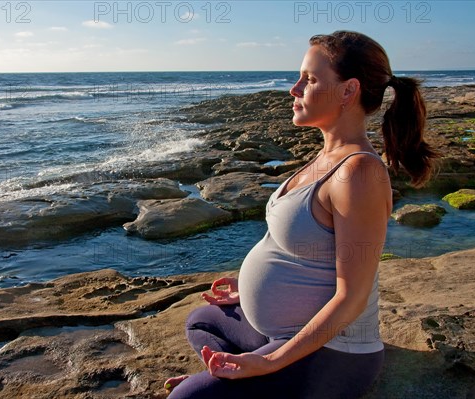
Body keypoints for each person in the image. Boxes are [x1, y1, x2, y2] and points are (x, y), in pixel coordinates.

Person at [164, 31, 438, 399]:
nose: (294, 89)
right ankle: (234, 379)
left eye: (309, 80)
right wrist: (246, 289)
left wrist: (272, 361)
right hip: (278, 332)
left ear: (347, 90)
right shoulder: (325, 157)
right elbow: (297, 247)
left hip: (334, 354)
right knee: (201, 321)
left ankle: (232, 382)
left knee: (187, 398)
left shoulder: (359, 173)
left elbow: (352, 297)